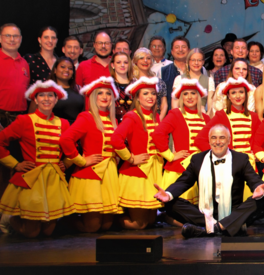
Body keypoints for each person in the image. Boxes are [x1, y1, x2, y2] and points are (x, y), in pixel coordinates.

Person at [154, 125, 264, 238]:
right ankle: (226, 227)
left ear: (229, 140)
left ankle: (210, 229)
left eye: (222, 137)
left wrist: (258, 187)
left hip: (233, 213)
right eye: (214, 138)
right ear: (209, 140)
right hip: (204, 213)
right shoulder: (198, 159)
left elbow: (253, 179)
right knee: (170, 203)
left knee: (262, 199)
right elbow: (184, 182)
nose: (217, 142)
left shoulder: (240, 159)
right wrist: (168, 194)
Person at [0, 81, 75, 237]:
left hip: (53, 179)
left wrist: (66, 163)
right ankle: (10, 220)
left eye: (50, 95)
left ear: (56, 99)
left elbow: (71, 148)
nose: (46, 99)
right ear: (35, 99)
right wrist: (15, 165)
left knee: (48, 232)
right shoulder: (24, 120)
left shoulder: (63, 123)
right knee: (32, 233)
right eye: (41, 95)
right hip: (32, 178)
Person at [60, 77, 121, 232]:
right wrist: (81, 160)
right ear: (93, 97)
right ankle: (64, 221)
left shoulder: (113, 120)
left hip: (109, 175)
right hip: (91, 175)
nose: (105, 96)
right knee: (92, 227)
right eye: (100, 93)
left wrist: (116, 157)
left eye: (108, 93)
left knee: (106, 226)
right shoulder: (87, 117)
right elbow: (66, 139)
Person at [153, 79, 210, 225]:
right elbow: (158, 134)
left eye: (193, 93)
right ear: (180, 97)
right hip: (181, 169)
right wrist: (170, 155)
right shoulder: (175, 114)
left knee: (198, 212)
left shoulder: (206, 118)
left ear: (199, 96)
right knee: (182, 212)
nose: (189, 97)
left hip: (202, 168)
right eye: (185, 94)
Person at [111, 77, 163, 229]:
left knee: (151, 222)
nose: (150, 97)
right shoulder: (132, 116)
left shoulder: (155, 116)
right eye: (145, 93)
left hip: (154, 172)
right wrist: (130, 158)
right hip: (138, 173)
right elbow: (116, 139)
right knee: (139, 225)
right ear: (137, 98)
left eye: (153, 93)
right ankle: (111, 222)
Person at [195, 77, 261, 189]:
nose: (238, 96)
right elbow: (200, 140)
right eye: (233, 93)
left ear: (246, 95)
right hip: (228, 166)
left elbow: (259, 141)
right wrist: (220, 154)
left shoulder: (254, 116)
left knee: (250, 198)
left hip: (249, 166)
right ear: (228, 96)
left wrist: (258, 154)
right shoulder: (221, 115)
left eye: (241, 92)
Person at [0, 23, 30, 197]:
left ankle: (9, 207)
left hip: (19, 119)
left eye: (15, 36)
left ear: (21, 39)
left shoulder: (24, 63)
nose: (12, 39)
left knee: (16, 166)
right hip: (1, 116)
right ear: (0, 39)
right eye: (8, 36)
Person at [45, 57, 84, 124]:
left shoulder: (79, 89)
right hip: (54, 127)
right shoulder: (45, 89)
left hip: (76, 128)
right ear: (55, 70)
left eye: (70, 68)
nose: (66, 70)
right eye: (63, 67)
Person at [132, 47, 168, 120]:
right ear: (136, 61)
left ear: (151, 61)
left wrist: (159, 120)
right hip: (136, 119)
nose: (145, 61)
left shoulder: (159, 82)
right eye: (141, 58)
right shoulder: (132, 82)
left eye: (148, 58)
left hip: (156, 119)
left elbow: (164, 104)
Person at [160, 37, 190, 107]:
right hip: (171, 112)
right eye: (177, 47)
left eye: (183, 47)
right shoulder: (163, 71)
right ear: (172, 52)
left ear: (189, 51)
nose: (180, 49)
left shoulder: (199, 70)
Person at [110, 52, 134, 123]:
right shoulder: (108, 85)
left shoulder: (136, 84)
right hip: (112, 124)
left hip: (133, 123)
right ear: (112, 65)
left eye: (125, 62)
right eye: (118, 62)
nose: (122, 65)